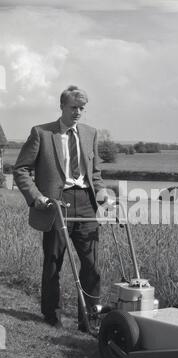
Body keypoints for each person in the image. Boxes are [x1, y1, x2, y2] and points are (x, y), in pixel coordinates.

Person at [13, 85, 107, 330]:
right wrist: (36, 197)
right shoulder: (42, 133)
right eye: (73, 107)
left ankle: (90, 320)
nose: (78, 112)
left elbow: (95, 172)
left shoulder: (90, 133)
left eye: (82, 109)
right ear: (62, 107)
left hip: (86, 203)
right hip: (56, 203)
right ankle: (52, 316)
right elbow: (21, 169)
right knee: (54, 260)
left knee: (91, 264)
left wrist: (103, 191)